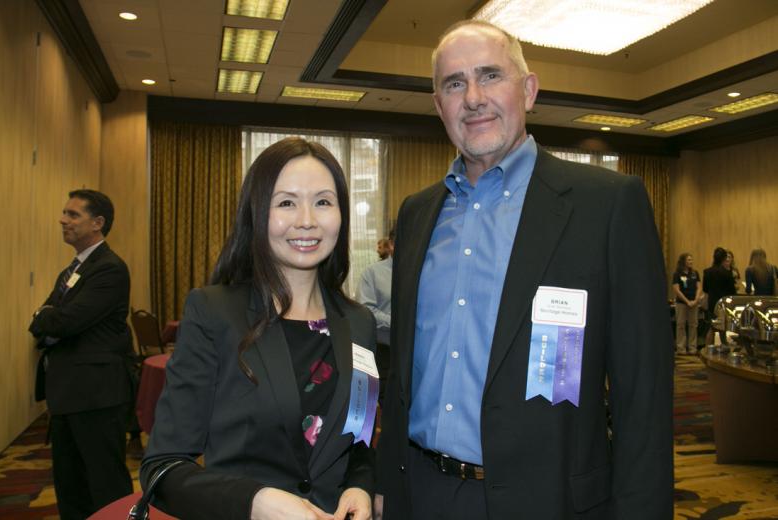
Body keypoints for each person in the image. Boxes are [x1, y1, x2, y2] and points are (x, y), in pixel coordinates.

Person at [375, 21, 673, 520]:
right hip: (421, 493)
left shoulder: (605, 205)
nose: (473, 98)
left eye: (490, 75)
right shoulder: (417, 213)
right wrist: (387, 481)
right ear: (439, 106)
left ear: (528, 90)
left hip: (549, 501)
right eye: (454, 83)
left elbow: (643, 394)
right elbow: (401, 374)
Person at [141, 138, 377, 520]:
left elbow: (360, 437)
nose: (307, 220)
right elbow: (162, 469)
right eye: (286, 203)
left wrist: (359, 485)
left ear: (342, 215)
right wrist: (254, 502)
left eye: (323, 202)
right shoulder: (213, 312)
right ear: (256, 212)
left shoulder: (359, 323)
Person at [29, 189, 134, 519]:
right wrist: (46, 318)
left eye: (73, 214)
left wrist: (47, 317)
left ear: (97, 223)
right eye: (65, 213)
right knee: (70, 482)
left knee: (105, 482)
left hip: (96, 394)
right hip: (68, 393)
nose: (63, 220)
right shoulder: (71, 271)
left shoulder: (109, 268)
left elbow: (63, 321)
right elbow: (42, 322)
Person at [357, 229, 395, 401]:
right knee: (388, 403)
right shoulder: (372, 273)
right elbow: (367, 312)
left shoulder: (423, 272)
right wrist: (400, 323)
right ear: (391, 245)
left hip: (416, 351)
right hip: (385, 352)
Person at [703, 247, 736, 346]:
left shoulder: (707, 272)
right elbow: (732, 291)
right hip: (723, 303)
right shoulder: (727, 273)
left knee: (711, 327)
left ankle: (707, 348)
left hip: (712, 303)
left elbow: (705, 289)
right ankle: (724, 347)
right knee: (722, 328)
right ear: (723, 259)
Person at [672, 253, 703, 354]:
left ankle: (692, 348)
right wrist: (687, 301)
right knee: (680, 325)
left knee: (693, 325)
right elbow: (676, 289)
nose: (691, 262)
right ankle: (681, 348)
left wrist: (696, 300)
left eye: (691, 260)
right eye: (689, 260)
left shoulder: (695, 273)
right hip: (681, 303)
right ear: (683, 261)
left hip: (694, 303)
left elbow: (699, 287)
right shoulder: (677, 274)